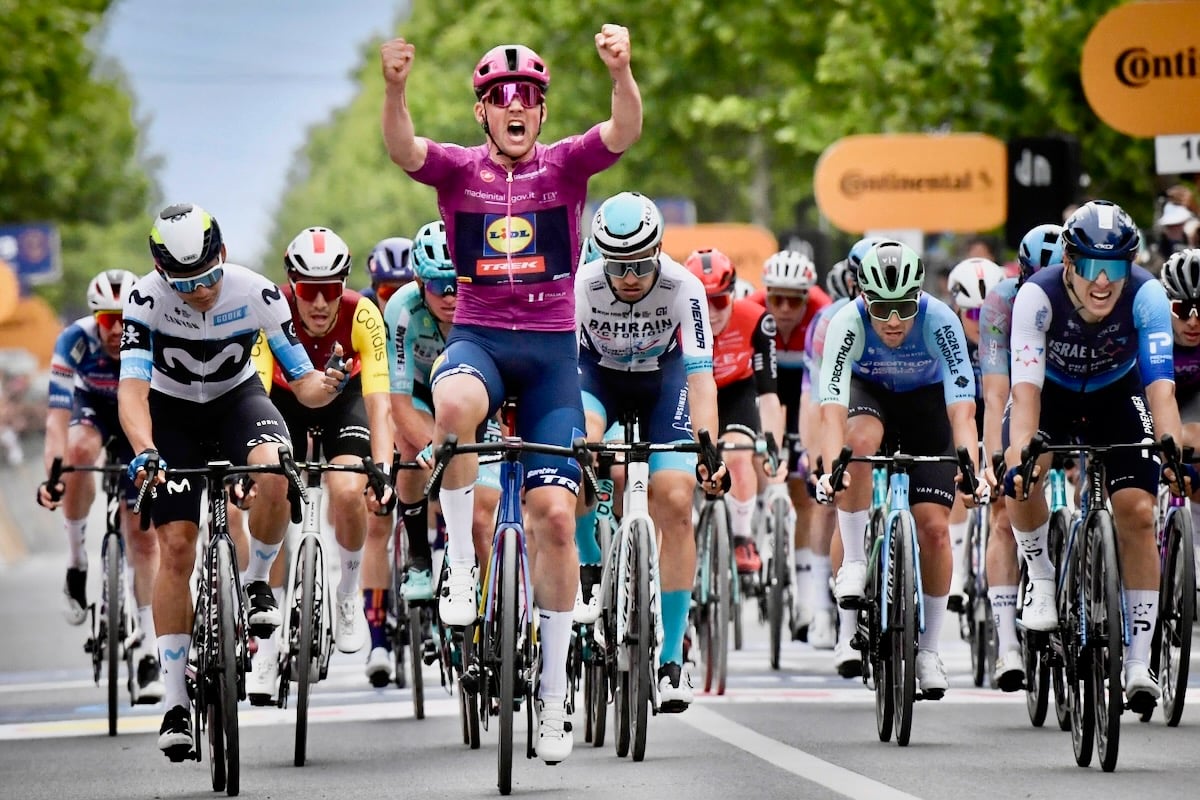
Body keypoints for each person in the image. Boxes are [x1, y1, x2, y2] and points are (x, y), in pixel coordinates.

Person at [379, 25, 642, 763]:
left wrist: (621, 73)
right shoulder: (458, 172)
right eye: (502, 98)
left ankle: (554, 696)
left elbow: (624, 130)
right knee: (453, 406)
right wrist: (395, 89)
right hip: (481, 341)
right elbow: (403, 149)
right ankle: (462, 567)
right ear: (483, 112)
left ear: (542, 110)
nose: (516, 105)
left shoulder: (565, 166)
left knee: (555, 517)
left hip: (552, 357)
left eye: (528, 95)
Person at [119, 203, 346, 759]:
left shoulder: (257, 293)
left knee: (275, 467)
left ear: (223, 254)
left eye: (210, 276)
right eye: (185, 283)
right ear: (162, 272)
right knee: (176, 547)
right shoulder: (145, 300)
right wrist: (146, 450)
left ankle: (258, 580)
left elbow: (302, 382)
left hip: (236, 401)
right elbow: (132, 392)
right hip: (171, 413)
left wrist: (326, 385)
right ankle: (175, 703)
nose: (200, 291)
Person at [1004, 200, 1180, 712]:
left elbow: (1161, 389)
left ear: (1131, 265)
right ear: (1069, 263)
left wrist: (1170, 446)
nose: (1102, 282)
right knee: (1025, 472)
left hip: (1117, 394)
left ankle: (1139, 662)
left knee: (1138, 512)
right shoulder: (1037, 296)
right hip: (1051, 395)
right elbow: (1025, 392)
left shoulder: (1147, 295)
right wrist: (1020, 453)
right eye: (1090, 267)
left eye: (1115, 268)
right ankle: (1040, 575)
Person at [814, 240, 982, 699]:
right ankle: (853, 562)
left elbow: (962, 410)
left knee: (936, 530)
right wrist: (831, 471)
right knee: (858, 444)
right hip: (870, 397)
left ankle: (928, 651)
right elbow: (831, 411)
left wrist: (971, 468)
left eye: (904, 308)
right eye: (881, 308)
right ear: (862, 296)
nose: (892, 320)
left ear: (919, 298)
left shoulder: (940, 320)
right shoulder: (846, 322)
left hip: (927, 407)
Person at [577, 192, 724, 712]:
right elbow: (560, 371)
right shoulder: (583, 285)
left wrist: (708, 450)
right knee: (582, 449)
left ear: (659, 250)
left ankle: (671, 660)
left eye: (641, 264)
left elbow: (701, 379)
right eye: (618, 265)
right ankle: (589, 566)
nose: (630, 277)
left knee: (677, 498)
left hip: (664, 383)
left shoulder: (684, 286)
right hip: (598, 379)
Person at [247, 226, 395, 703]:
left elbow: (379, 404)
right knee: (271, 484)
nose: (318, 302)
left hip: (343, 402)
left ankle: (348, 592)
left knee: (349, 489)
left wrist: (383, 468)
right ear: (291, 285)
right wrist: (251, 467)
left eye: (329, 290)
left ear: (342, 286)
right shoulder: (270, 310)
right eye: (308, 290)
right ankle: (265, 641)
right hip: (282, 401)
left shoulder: (362, 313)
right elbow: (255, 393)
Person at [375, 219, 502, 687]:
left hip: (477, 398)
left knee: (483, 516)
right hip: (422, 398)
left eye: (458, 284)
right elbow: (399, 404)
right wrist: (435, 445)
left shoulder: (488, 303)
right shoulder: (402, 310)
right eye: (437, 287)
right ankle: (418, 557)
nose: (450, 296)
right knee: (410, 450)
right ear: (417, 283)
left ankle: (494, 620)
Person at [37, 269, 164, 704]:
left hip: (135, 417)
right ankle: (77, 564)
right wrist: (53, 475)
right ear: (95, 319)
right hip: (91, 408)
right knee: (76, 452)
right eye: (107, 320)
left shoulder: (152, 335)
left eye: (123, 320)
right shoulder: (74, 340)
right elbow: (56, 421)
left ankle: (149, 653)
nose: (116, 331)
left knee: (144, 538)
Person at [976, 223, 1062, 691]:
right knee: (1003, 514)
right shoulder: (1002, 302)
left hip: (1072, 393)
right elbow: (996, 392)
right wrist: (996, 457)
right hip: (1020, 392)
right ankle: (1008, 645)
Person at [747, 251, 833, 646]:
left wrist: (807, 444)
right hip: (764, 385)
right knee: (754, 450)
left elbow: (816, 392)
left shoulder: (823, 314)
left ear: (808, 297)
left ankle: (806, 601)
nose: (783, 309)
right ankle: (757, 509)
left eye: (793, 300)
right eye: (776, 298)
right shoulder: (753, 311)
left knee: (803, 490)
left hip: (804, 388)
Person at [684, 248, 785, 578]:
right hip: (688, 392)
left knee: (740, 455)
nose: (712, 312)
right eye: (702, 302)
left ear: (733, 294)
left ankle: (742, 537)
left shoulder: (756, 320)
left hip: (734, 392)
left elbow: (768, 394)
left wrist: (772, 444)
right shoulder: (674, 320)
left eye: (719, 301)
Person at [942, 257, 1005, 612]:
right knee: (958, 473)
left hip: (997, 413)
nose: (983, 323)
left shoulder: (1010, 333)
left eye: (989, 314)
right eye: (974, 314)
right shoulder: (946, 334)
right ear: (957, 309)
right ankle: (954, 570)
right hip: (961, 414)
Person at [1158, 249, 1200, 560]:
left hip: (1193, 402)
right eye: (1182, 309)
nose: (1194, 321)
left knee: (1194, 443)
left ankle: (1195, 547)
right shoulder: (1151, 328)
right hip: (1156, 397)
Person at [363, 236, 415, 309]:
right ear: (375, 292)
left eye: (408, 294)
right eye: (388, 293)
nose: (397, 302)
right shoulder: (359, 307)